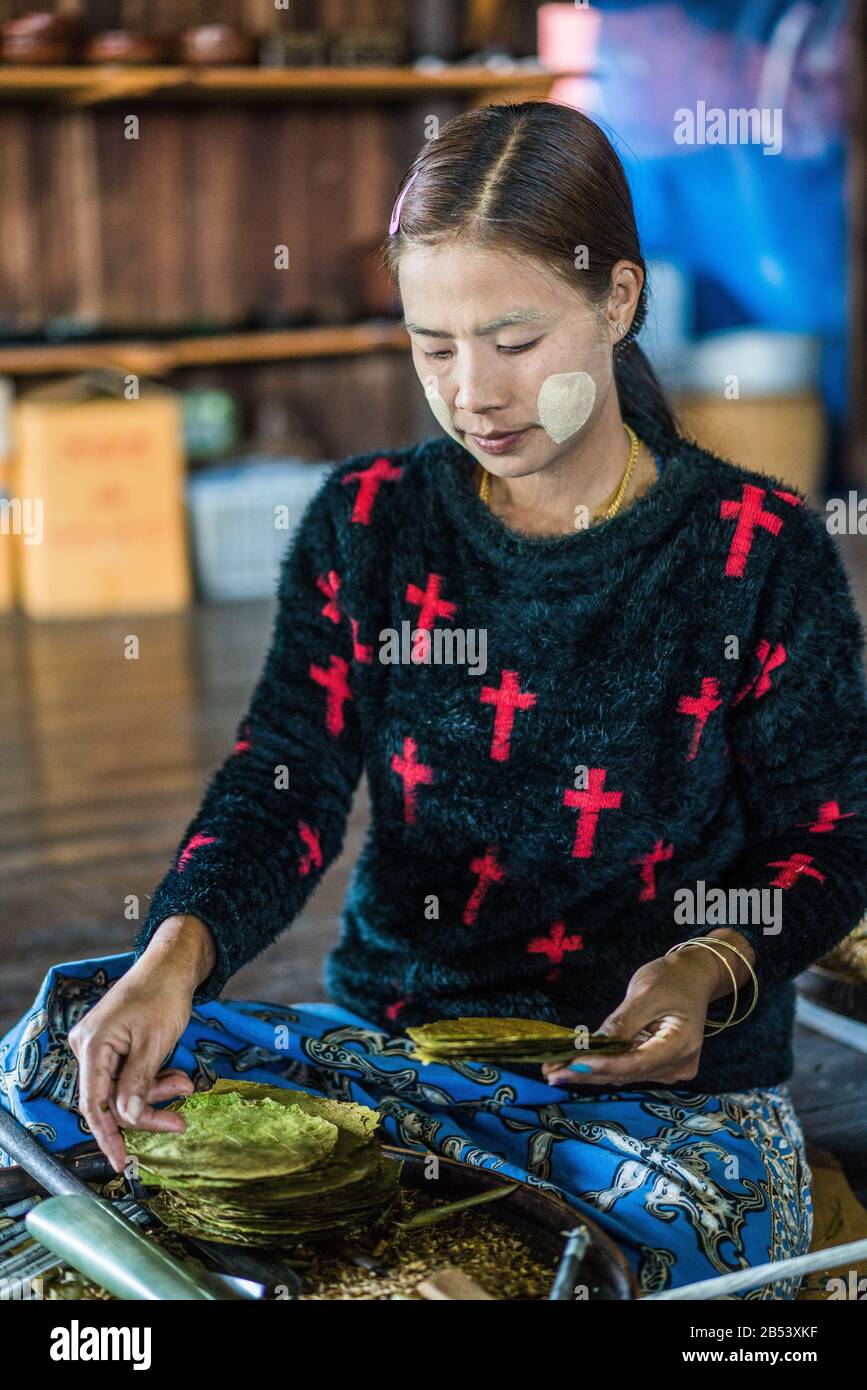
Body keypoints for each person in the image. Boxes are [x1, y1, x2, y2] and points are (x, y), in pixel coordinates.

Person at [3, 101, 867, 1299]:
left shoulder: (756, 549)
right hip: (397, 1054)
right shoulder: (368, 522)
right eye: (433, 344)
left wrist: (709, 967)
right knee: (59, 1054)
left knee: (600, 1251)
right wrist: (177, 954)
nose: (472, 393)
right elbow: (284, 779)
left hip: (643, 1097)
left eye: (513, 339)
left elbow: (832, 836)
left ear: (618, 302)